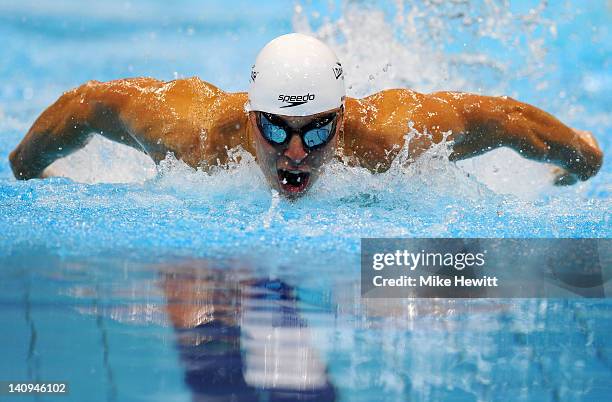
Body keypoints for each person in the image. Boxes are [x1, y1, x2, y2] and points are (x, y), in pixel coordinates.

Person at [9, 33, 603, 198]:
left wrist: (580, 157)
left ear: (342, 120)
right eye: (275, 128)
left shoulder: (390, 137)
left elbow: (502, 120)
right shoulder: (191, 134)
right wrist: (27, 169)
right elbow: (86, 105)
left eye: (317, 129)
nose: (295, 154)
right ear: (249, 118)